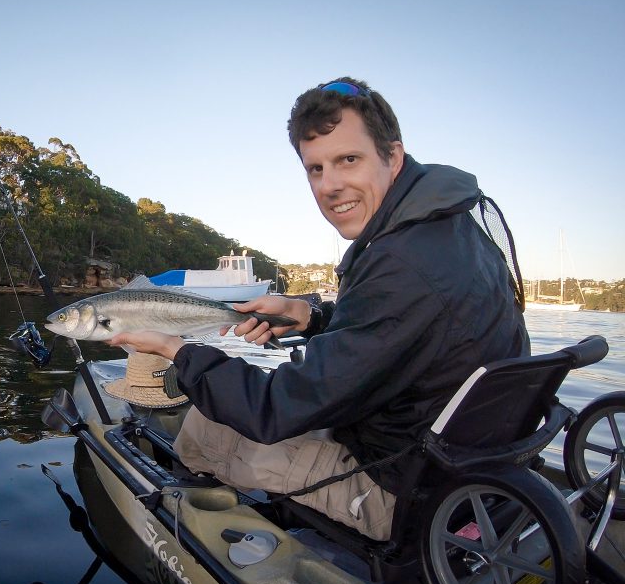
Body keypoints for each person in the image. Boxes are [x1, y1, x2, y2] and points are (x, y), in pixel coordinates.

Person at [110, 77, 528, 540]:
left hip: (408, 492)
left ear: (394, 156)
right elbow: (395, 330)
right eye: (315, 169)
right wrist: (312, 315)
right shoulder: (449, 224)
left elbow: (272, 411)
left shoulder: (403, 263)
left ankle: (212, 529)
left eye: (348, 159)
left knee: (203, 429)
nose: (329, 186)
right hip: (462, 459)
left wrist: (175, 349)